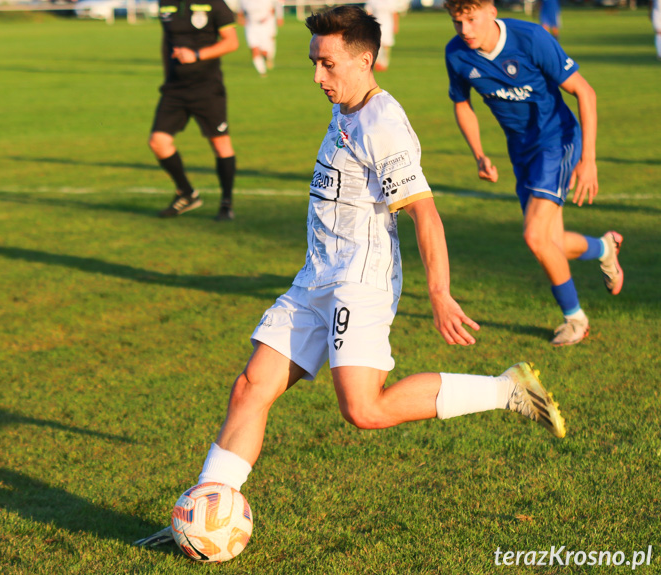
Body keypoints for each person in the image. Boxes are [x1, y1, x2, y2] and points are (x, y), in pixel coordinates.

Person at [136, 5, 565, 548]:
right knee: (250, 389)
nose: (318, 76)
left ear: (366, 61)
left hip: (358, 283)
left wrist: (438, 292)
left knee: (365, 409)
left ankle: (506, 390)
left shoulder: (384, 123)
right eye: (314, 62)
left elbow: (424, 212)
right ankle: (206, 508)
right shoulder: (347, 105)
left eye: (328, 65)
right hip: (315, 277)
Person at [443, 0, 623, 346]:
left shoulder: (530, 38)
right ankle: (604, 248)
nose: (464, 29)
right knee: (550, 243)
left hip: (557, 141)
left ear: (491, 11)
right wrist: (479, 154)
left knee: (535, 237)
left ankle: (575, 319)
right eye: (457, 21)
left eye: (471, 19)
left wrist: (589, 160)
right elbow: (461, 103)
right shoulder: (457, 54)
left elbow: (585, 92)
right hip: (521, 152)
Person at [150, 0, 239, 221]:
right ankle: (187, 193)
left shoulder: (215, 4)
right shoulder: (165, 3)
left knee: (220, 143)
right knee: (158, 142)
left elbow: (231, 42)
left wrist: (196, 55)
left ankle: (226, 203)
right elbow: (168, 40)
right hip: (174, 88)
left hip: (207, 87)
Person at [237, 0, 284, 77]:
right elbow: (240, 11)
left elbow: (277, 6)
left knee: (265, 52)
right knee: (254, 49)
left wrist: (279, 17)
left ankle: (267, 58)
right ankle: (262, 72)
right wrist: (240, 18)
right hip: (251, 26)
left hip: (266, 25)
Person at [364, 0, 399, 71]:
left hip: (388, 25)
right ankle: (378, 62)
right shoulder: (372, 1)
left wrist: (395, 25)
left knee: (386, 44)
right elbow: (369, 12)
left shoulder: (391, 1)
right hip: (376, 25)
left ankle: (385, 62)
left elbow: (394, 13)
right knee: (377, 44)